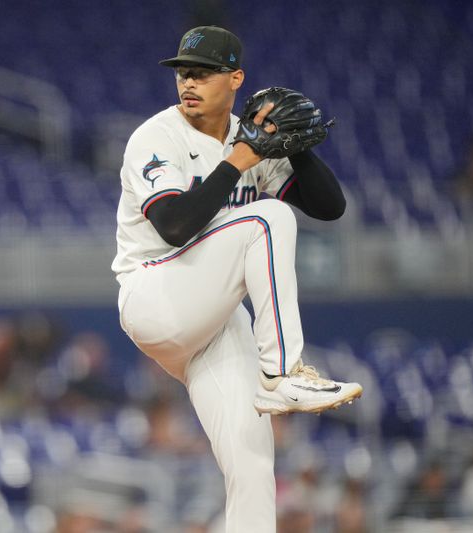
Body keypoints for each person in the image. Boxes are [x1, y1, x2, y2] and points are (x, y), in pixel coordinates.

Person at [111, 26, 362, 531]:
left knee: (251, 463)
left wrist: (296, 147)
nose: (189, 81)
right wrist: (241, 159)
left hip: (214, 322)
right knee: (268, 218)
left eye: (202, 73)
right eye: (183, 72)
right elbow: (176, 224)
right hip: (154, 293)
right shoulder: (157, 137)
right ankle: (283, 373)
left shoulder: (248, 142)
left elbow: (330, 207)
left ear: (235, 79)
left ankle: (276, 378)